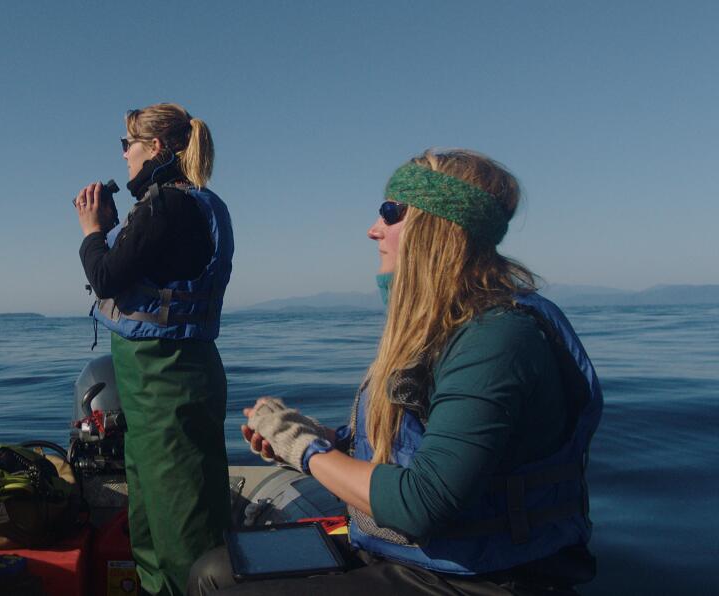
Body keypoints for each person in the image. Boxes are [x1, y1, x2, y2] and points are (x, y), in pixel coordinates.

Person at [189, 149, 602, 595]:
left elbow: (420, 504)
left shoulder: (496, 339)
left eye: (391, 212)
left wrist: (304, 451)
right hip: (415, 555)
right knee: (213, 570)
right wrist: (326, 439)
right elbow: (418, 446)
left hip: (480, 578)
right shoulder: (444, 325)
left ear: (438, 225)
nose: (373, 230)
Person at [74, 103, 235, 596]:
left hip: (168, 388)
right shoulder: (193, 204)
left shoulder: (167, 206)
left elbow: (105, 275)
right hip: (163, 389)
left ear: (156, 148)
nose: (123, 155)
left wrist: (93, 230)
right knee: (151, 518)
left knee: (183, 528)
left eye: (128, 145)